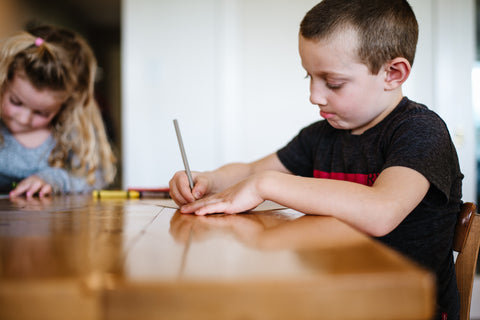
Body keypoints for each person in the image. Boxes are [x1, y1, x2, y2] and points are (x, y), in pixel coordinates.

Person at [169, 0, 462, 319]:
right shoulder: (320, 135)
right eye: (308, 76)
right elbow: (252, 170)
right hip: (335, 298)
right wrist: (209, 179)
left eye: (332, 82)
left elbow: (382, 211)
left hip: (407, 308)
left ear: (392, 73)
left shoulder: (420, 131)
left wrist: (267, 185)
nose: (314, 95)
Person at [0, 25, 116, 198]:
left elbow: (95, 179)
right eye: (16, 102)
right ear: (3, 84)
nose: (24, 119)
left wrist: (54, 179)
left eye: (42, 113)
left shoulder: (71, 133)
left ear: (65, 106)